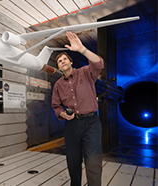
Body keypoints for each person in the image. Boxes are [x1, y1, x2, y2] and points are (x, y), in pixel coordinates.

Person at [52, 31, 104, 186]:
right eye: (59, 61)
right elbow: (56, 105)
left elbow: (99, 63)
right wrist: (62, 114)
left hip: (91, 124)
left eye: (65, 59)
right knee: (73, 162)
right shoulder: (58, 85)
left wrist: (82, 49)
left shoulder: (86, 72)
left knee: (93, 162)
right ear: (59, 67)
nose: (62, 61)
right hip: (72, 126)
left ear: (71, 62)